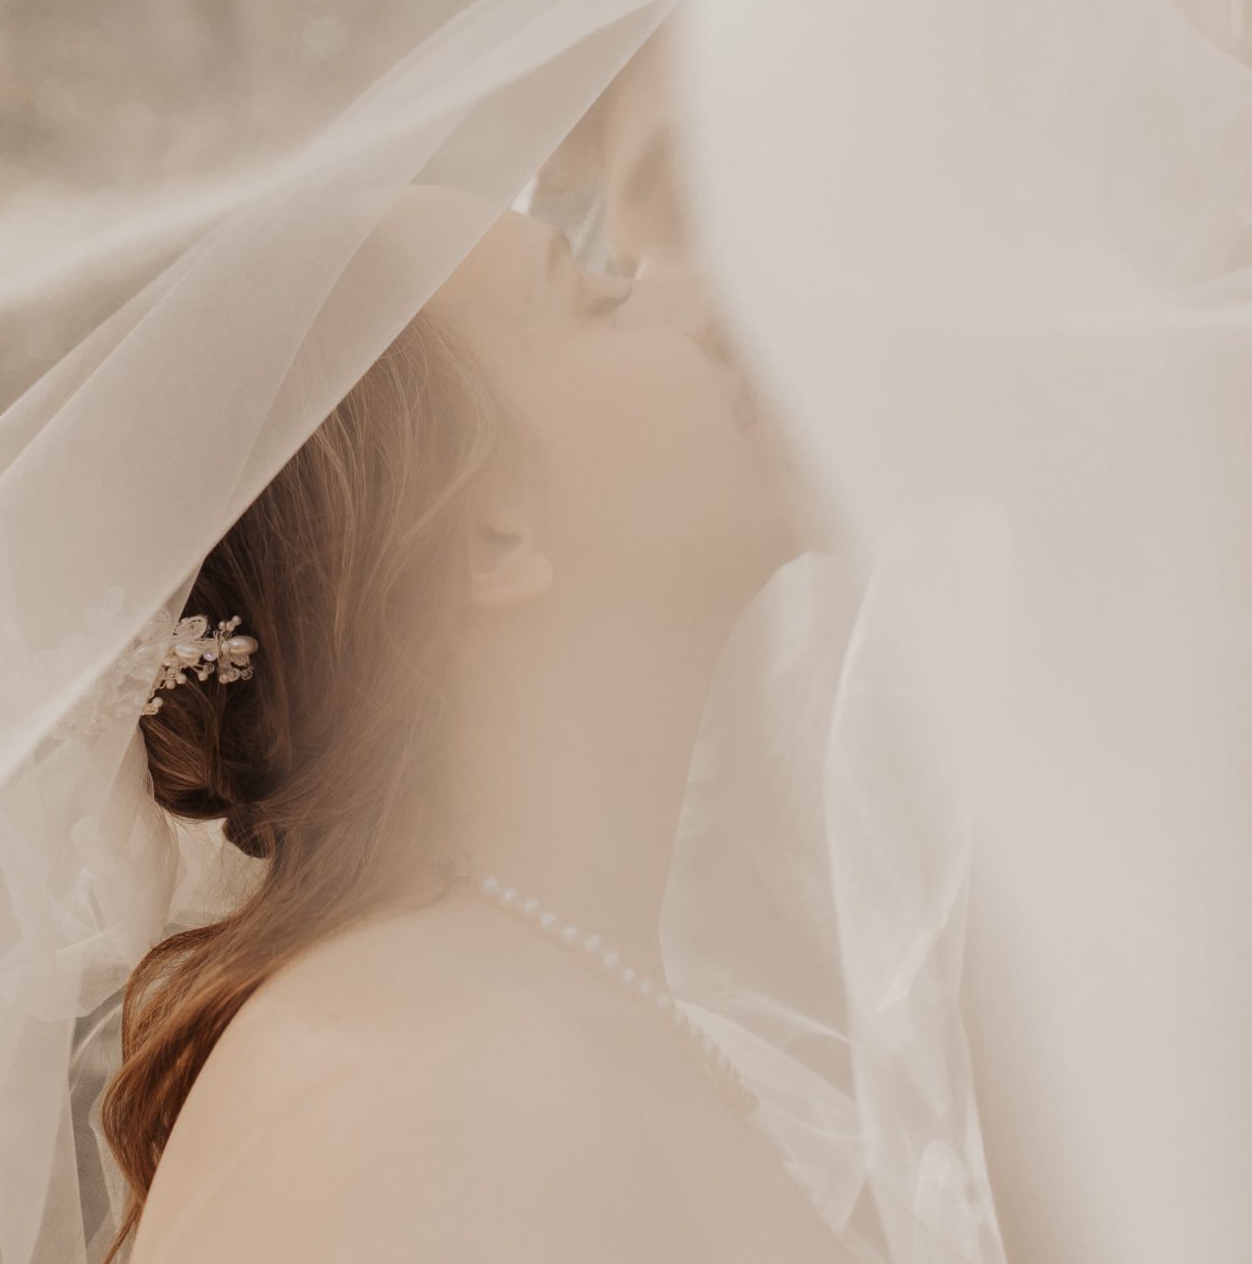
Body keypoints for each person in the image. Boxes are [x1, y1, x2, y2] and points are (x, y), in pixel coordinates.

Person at [106, 207, 846, 1263]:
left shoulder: (501, 1016)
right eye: (600, 299)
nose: (704, 313)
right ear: (496, 539)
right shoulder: (420, 1089)